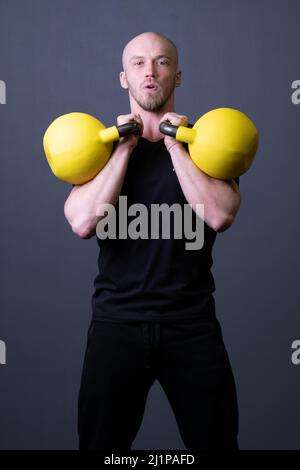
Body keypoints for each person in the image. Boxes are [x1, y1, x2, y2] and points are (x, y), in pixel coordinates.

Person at [64, 31, 241, 451]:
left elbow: (219, 214)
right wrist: (123, 149)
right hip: (116, 325)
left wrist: (176, 147)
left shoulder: (208, 145)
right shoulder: (98, 149)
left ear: (177, 77)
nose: (150, 72)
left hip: (192, 326)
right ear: (123, 77)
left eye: (161, 63)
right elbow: (83, 222)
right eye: (139, 63)